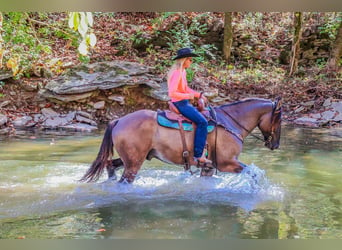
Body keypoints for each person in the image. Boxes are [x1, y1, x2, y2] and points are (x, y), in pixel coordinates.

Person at [167, 47, 212, 165]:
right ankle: (198, 155)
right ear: (184, 60)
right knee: (202, 122)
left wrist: (198, 95)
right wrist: (190, 96)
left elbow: (185, 88)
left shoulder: (183, 71)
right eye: (190, 59)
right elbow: (172, 93)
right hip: (180, 103)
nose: (191, 62)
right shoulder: (177, 73)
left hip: (184, 101)